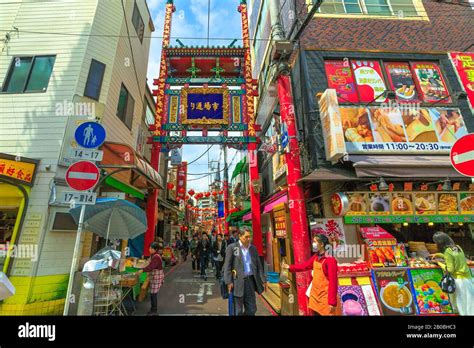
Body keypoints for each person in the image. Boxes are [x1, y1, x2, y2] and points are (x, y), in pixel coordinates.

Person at [282, 234, 340, 316]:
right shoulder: (316, 256)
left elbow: (333, 282)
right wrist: (290, 267)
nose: (313, 244)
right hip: (315, 295)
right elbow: (305, 266)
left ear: (322, 244)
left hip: (325, 298)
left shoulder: (330, 260)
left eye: (315, 242)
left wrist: (332, 302)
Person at [223, 227, 266, 316]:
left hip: (250, 282)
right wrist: (228, 281)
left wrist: (263, 279)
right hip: (237, 282)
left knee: (252, 309)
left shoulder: (253, 248)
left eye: (250, 237)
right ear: (240, 236)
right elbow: (227, 266)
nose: (248, 239)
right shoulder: (232, 248)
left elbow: (259, 265)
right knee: (237, 311)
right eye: (246, 237)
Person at [431, 231, 474, 315]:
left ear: (440, 242)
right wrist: (439, 255)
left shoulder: (447, 251)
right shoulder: (457, 247)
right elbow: (455, 257)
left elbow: (450, 270)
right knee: (470, 305)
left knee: (462, 308)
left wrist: (438, 263)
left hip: (459, 281)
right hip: (468, 279)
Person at [137, 242, 164, 316]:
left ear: (154, 249)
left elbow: (151, 267)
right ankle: (152, 309)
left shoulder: (156, 257)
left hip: (157, 277)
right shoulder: (153, 255)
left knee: (153, 294)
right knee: (152, 294)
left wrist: (142, 270)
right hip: (154, 276)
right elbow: (148, 263)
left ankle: (154, 311)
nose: (149, 249)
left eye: (150, 248)